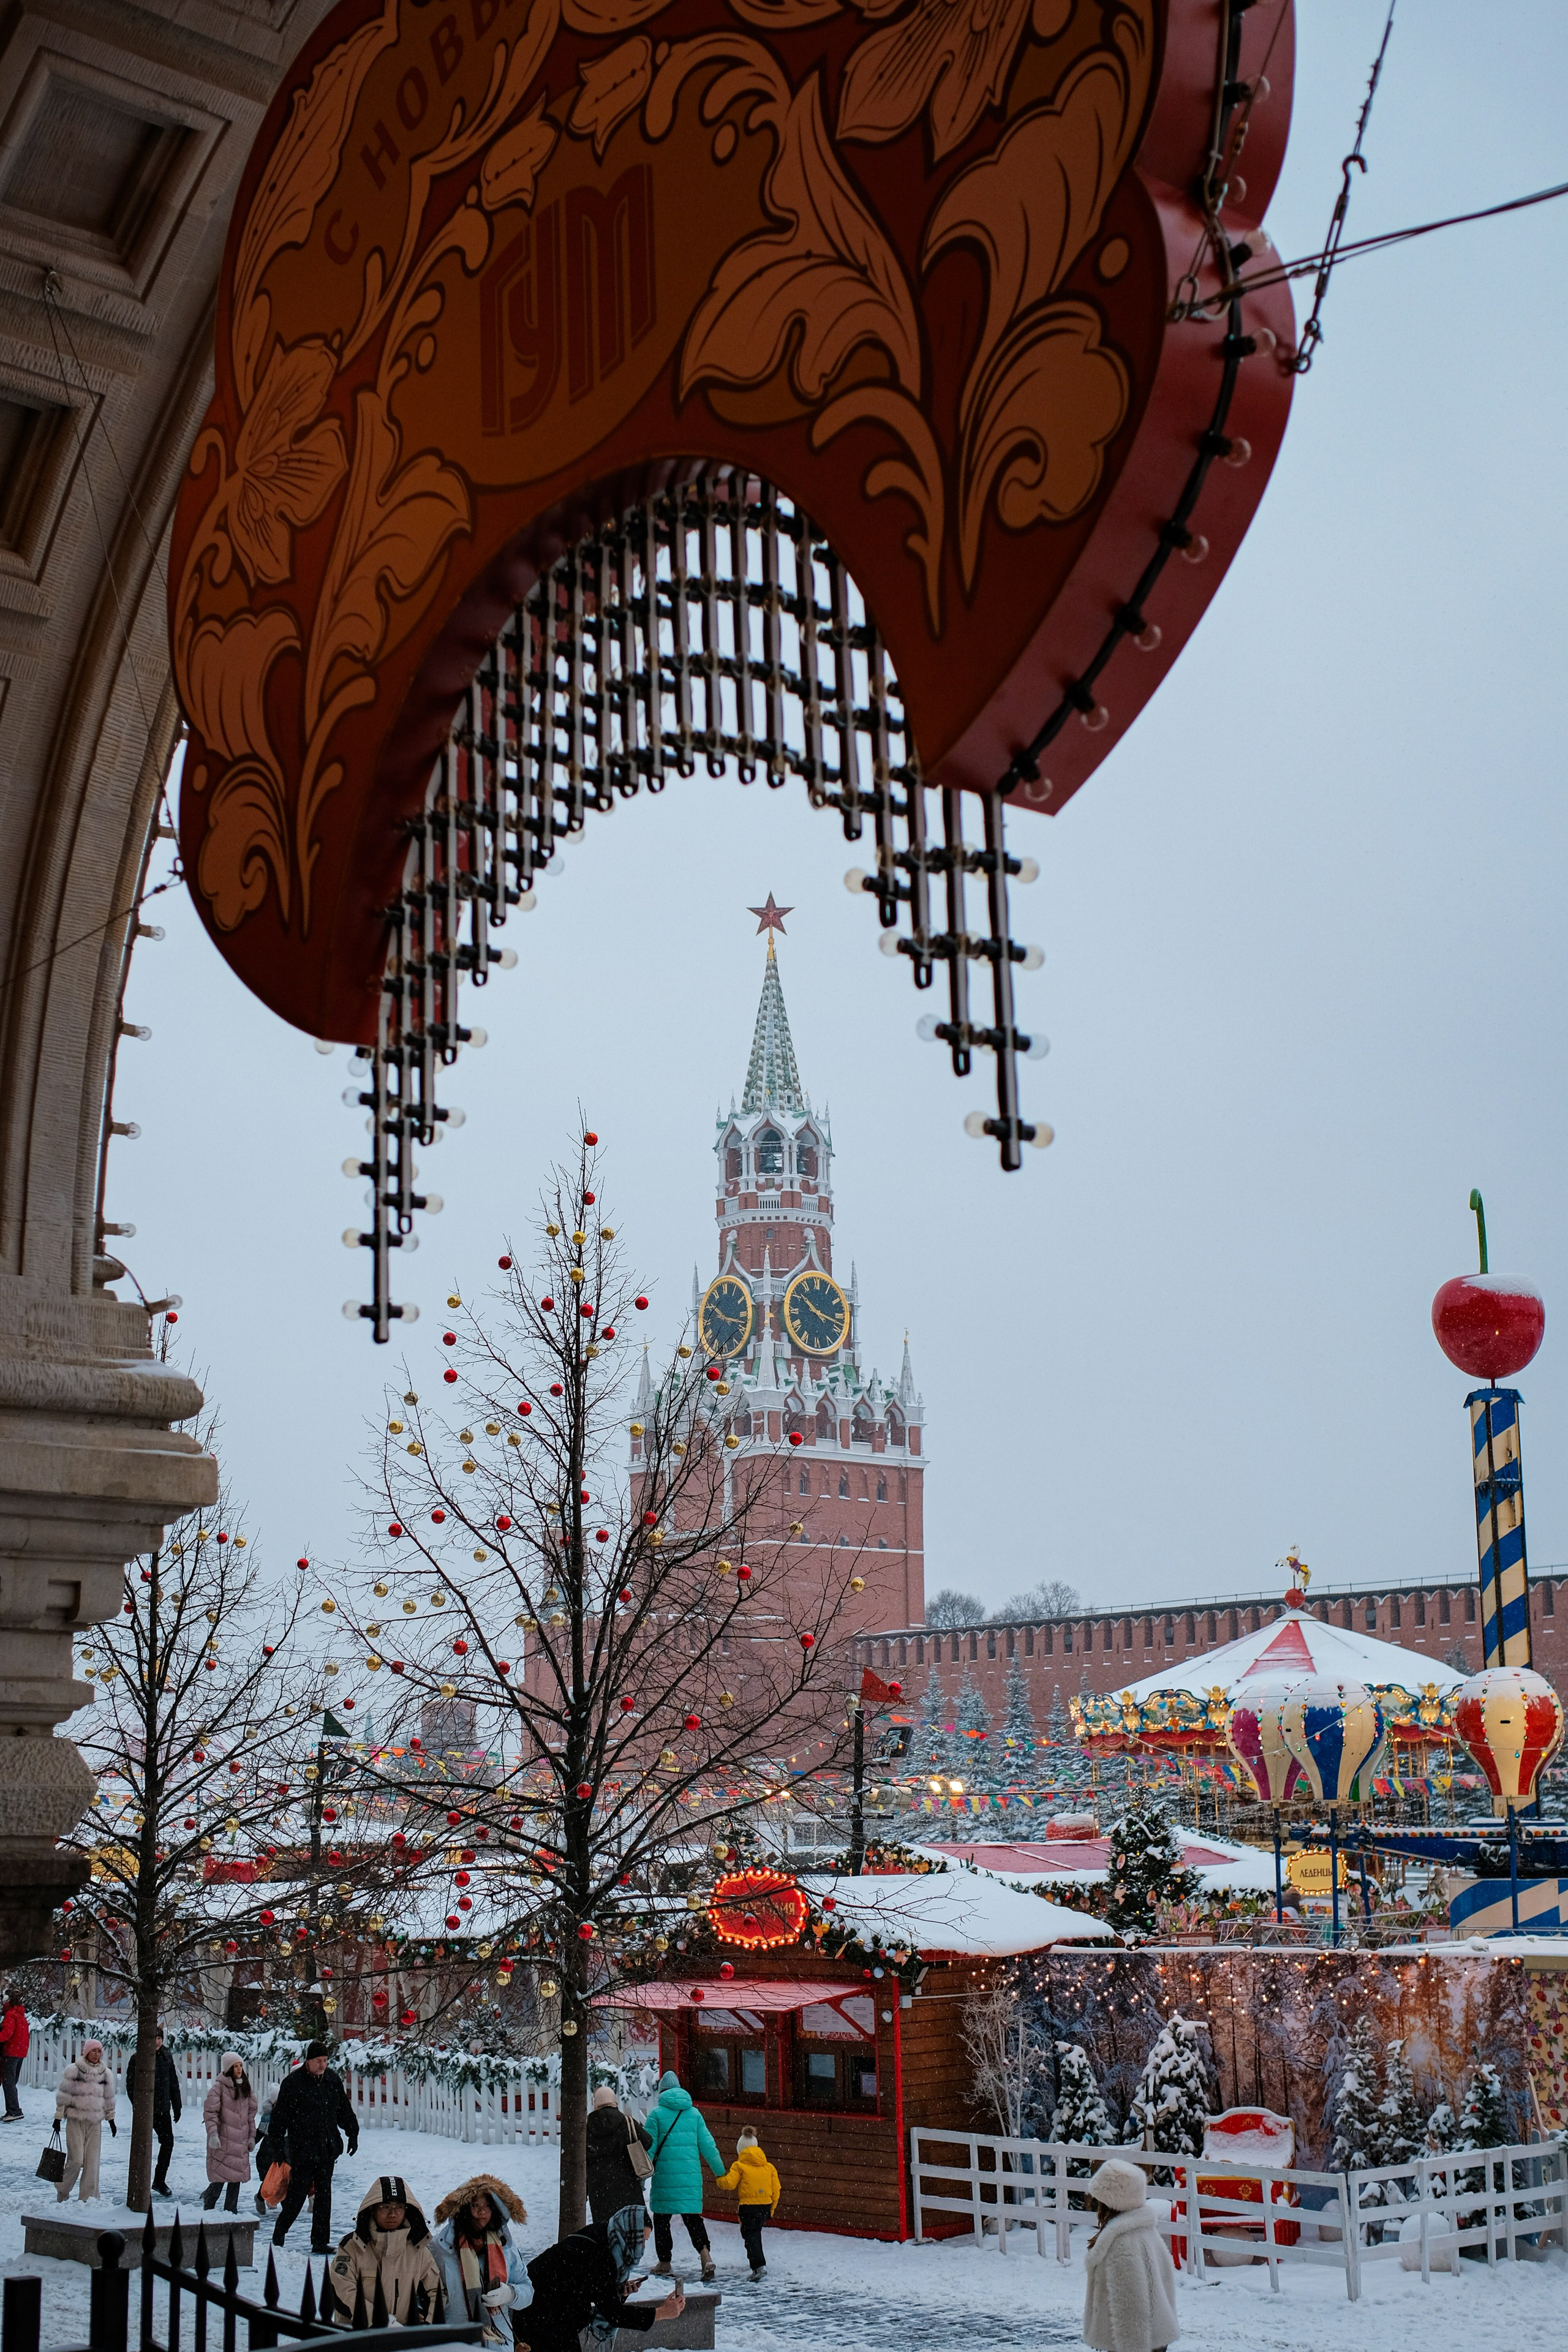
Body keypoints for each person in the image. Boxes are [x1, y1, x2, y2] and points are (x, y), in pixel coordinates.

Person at [520, 2212, 682, 2352]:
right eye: (642, 2240)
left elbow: (591, 2285)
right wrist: (661, 2313)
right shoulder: (600, 2255)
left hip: (548, 2313)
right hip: (542, 2316)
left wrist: (616, 2290)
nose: (643, 2247)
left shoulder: (607, 2237)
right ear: (628, 2234)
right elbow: (614, 2314)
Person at [269, 2040, 359, 2255]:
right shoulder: (293, 2083)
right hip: (303, 2149)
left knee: (324, 2195)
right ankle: (280, 2231)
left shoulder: (331, 2080)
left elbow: (343, 2110)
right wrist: (278, 2147)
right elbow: (279, 2118)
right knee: (298, 2194)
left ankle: (320, 2241)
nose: (322, 2065)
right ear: (308, 2061)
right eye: (318, 2061)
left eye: (326, 2061)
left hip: (327, 2147)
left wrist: (352, 2133)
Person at [1081, 2159, 1180, 2352]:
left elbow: (1131, 2310)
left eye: (1100, 2198)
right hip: (1154, 2340)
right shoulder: (1145, 2232)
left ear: (1111, 2201)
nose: (1096, 2204)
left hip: (1131, 2345)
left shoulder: (1122, 2244)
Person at [329, 2178, 443, 2326]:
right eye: (385, 2207)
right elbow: (342, 2292)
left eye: (399, 2207)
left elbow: (436, 2292)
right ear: (373, 2209)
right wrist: (381, 2321)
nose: (393, 2214)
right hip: (356, 2337)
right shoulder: (352, 2247)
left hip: (402, 2341)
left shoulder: (418, 2250)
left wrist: (426, 2322)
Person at [433, 2174, 530, 2344]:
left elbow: (528, 2291)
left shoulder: (506, 2247)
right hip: (456, 2341)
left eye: (487, 2206)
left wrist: (509, 2294)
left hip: (498, 2342)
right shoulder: (442, 2248)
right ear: (464, 2208)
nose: (482, 2212)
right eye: (475, 2205)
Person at [644, 2071, 723, 2283]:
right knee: (693, 2219)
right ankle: (705, 2256)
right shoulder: (694, 2114)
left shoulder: (656, 2115)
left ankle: (665, 2262)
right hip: (690, 2179)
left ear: (662, 2092)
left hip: (665, 2179)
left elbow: (648, 2151)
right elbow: (709, 2146)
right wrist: (720, 2172)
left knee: (662, 2220)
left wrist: (640, 2177)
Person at [54, 2037, 116, 2203]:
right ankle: (63, 2190)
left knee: (92, 2163)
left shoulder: (105, 2074)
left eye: (99, 2051)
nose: (96, 2055)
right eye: (93, 2051)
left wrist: (111, 2119)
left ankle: (88, 2198)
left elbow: (109, 2097)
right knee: (76, 2160)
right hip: (76, 2120)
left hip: (95, 2122)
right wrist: (58, 2117)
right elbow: (64, 2096)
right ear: (87, 2052)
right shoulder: (74, 2071)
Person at [715, 2126, 780, 2282]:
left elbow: (729, 2184)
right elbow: (776, 2189)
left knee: (750, 2237)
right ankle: (759, 2263)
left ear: (740, 2149)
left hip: (749, 2207)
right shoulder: (769, 2167)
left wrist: (719, 2179)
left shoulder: (739, 2166)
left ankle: (759, 2266)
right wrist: (771, 2209)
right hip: (765, 2205)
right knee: (755, 2234)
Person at [585, 2085, 652, 2226]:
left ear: (595, 2102)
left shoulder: (586, 2126)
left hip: (599, 2190)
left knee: (605, 2231)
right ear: (614, 2101)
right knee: (630, 2228)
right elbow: (648, 2142)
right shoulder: (627, 2122)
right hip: (627, 2186)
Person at [202, 2051, 258, 2213]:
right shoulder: (218, 2088)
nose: (239, 2069)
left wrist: (251, 2137)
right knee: (220, 2176)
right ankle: (209, 2203)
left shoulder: (245, 2088)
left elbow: (251, 2115)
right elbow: (210, 2113)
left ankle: (231, 2211)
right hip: (224, 2141)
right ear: (228, 2069)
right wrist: (213, 2134)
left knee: (236, 2178)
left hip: (240, 2141)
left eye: (241, 2065)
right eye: (235, 2066)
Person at [152, 2031, 182, 2196]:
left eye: (159, 2038)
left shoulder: (166, 2057)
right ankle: (138, 2181)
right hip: (146, 2109)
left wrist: (177, 2106)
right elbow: (131, 2085)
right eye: (154, 2038)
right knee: (143, 2146)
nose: (157, 2042)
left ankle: (159, 2180)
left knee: (168, 2143)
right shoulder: (139, 2057)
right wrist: (138, 2105)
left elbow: (173, 2083)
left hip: (163, 2109)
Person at [0, 1988, 29, 2122]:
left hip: (11, 2051)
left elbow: (7, 2033)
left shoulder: (10, 2015)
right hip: (20, 2052)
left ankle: (14, 2110)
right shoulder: (21, 2014)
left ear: (8, 2001)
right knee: (12, 2081)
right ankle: (14, 2110)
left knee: (8, 2082)